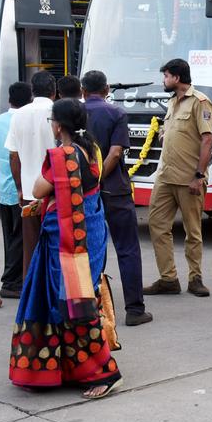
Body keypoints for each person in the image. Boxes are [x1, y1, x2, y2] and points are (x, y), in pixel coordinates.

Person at [9, 98, 122, 399]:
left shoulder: (64, 155)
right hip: (89, 232)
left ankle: (103, 372)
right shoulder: (91, 150)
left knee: (75, 304)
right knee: (73, 301)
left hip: (69, 241)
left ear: (58, 126)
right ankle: (68, 368)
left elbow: (37, 189)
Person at [82, 70, 152, 326]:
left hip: (83, 193)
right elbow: (114, 153)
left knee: (89, 250)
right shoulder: (116, 113)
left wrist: (87, 182)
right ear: (107, 88)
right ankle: (134, 309)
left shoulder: (74, 113)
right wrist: (99, 178)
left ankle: (90, 310)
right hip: (115, 190)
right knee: (127, 249)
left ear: (83, 90)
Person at [144, 58, 212, 297]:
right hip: (165, 176)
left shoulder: (200, 103)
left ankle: (195, 278)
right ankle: (168, 279)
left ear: (176, 77)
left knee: (192, 230)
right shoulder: (173, 102)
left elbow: (207, 139)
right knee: (157, 225)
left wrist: (198, 175)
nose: (164, 80)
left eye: (166, 76)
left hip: (189, 179)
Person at [7, 71, 58, 279]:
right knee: (56, 245)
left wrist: (19, 187)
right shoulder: (58, 111)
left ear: (32, 91)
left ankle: (32, 298)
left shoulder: (19, 114)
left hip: (30, 191)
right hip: (56, 191)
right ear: (54, 91)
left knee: (32, 247)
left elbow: (13, 156)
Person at [0, 82, 32, 299]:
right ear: (30, 99)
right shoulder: (29, 120)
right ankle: (12, 281)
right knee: (23, 237)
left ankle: (14, 279)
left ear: (8, 99)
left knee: (10, 236)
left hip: (5, 189)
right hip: (27, 189)